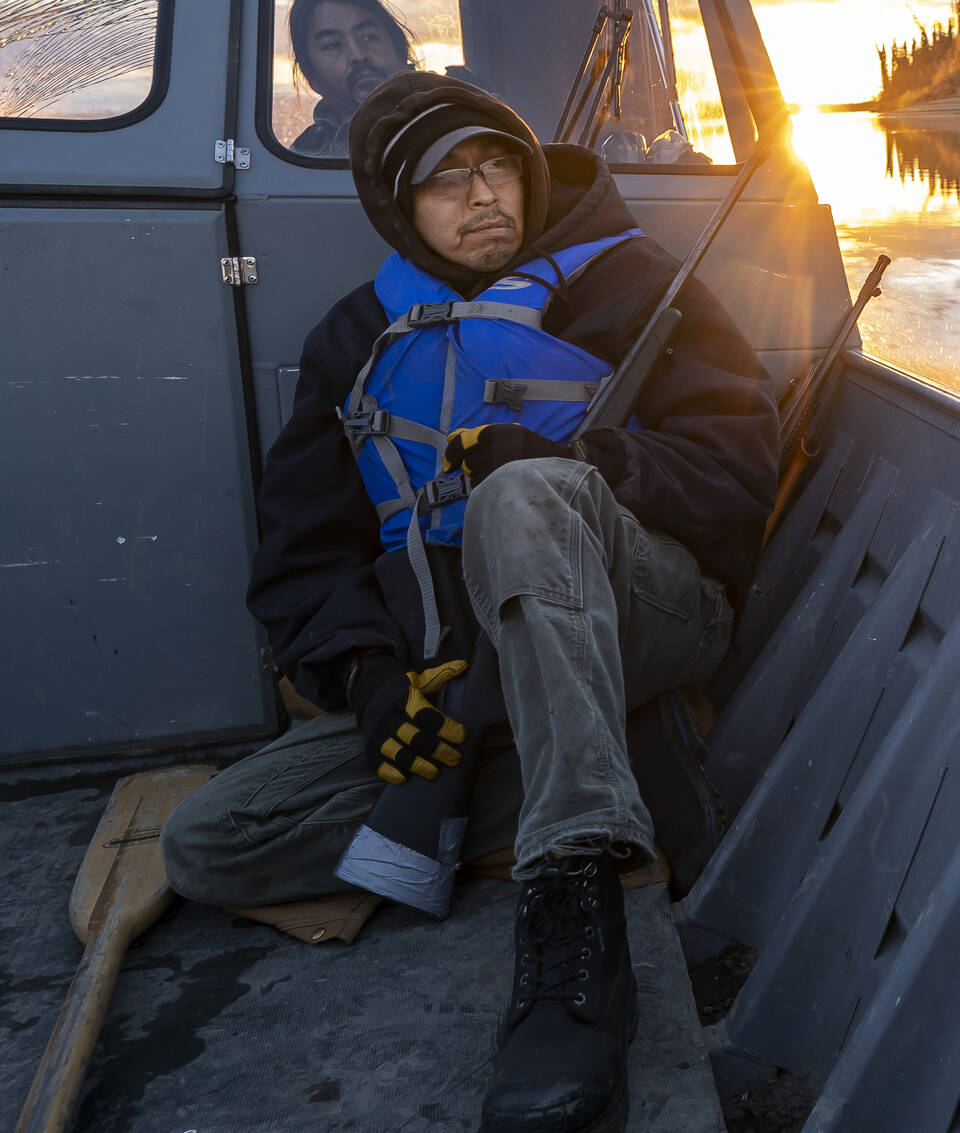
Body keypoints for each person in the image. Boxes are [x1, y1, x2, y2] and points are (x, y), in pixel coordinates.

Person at [160, 71, 780, 1132]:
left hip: (649, 613)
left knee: (525, 494)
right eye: (447, 182)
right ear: (403, 212)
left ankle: (572, 910)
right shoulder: (352, 340)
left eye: (497, 164)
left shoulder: (634, 285)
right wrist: (367, 679)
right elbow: (304, 553)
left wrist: (574, 457)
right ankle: (609, 767)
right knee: (213, 843)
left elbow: (736, 475)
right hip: (461, 663)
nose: (483, 194)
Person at [286, 0, 414, 156]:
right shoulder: (304, 155)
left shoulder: (448, 119)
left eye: (369, 37)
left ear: (399, 50)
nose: (358, 55)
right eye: (333, 45)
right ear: (312, 76)